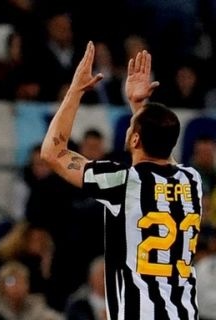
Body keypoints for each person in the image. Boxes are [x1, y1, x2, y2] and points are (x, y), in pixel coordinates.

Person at [40, 42, 203, 319]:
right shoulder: (191, 180)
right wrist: (139, 105)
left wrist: (75, 90)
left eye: (132, 126)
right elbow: (162, 149)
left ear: (136, 138)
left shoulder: (123, 181)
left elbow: (52, 152)